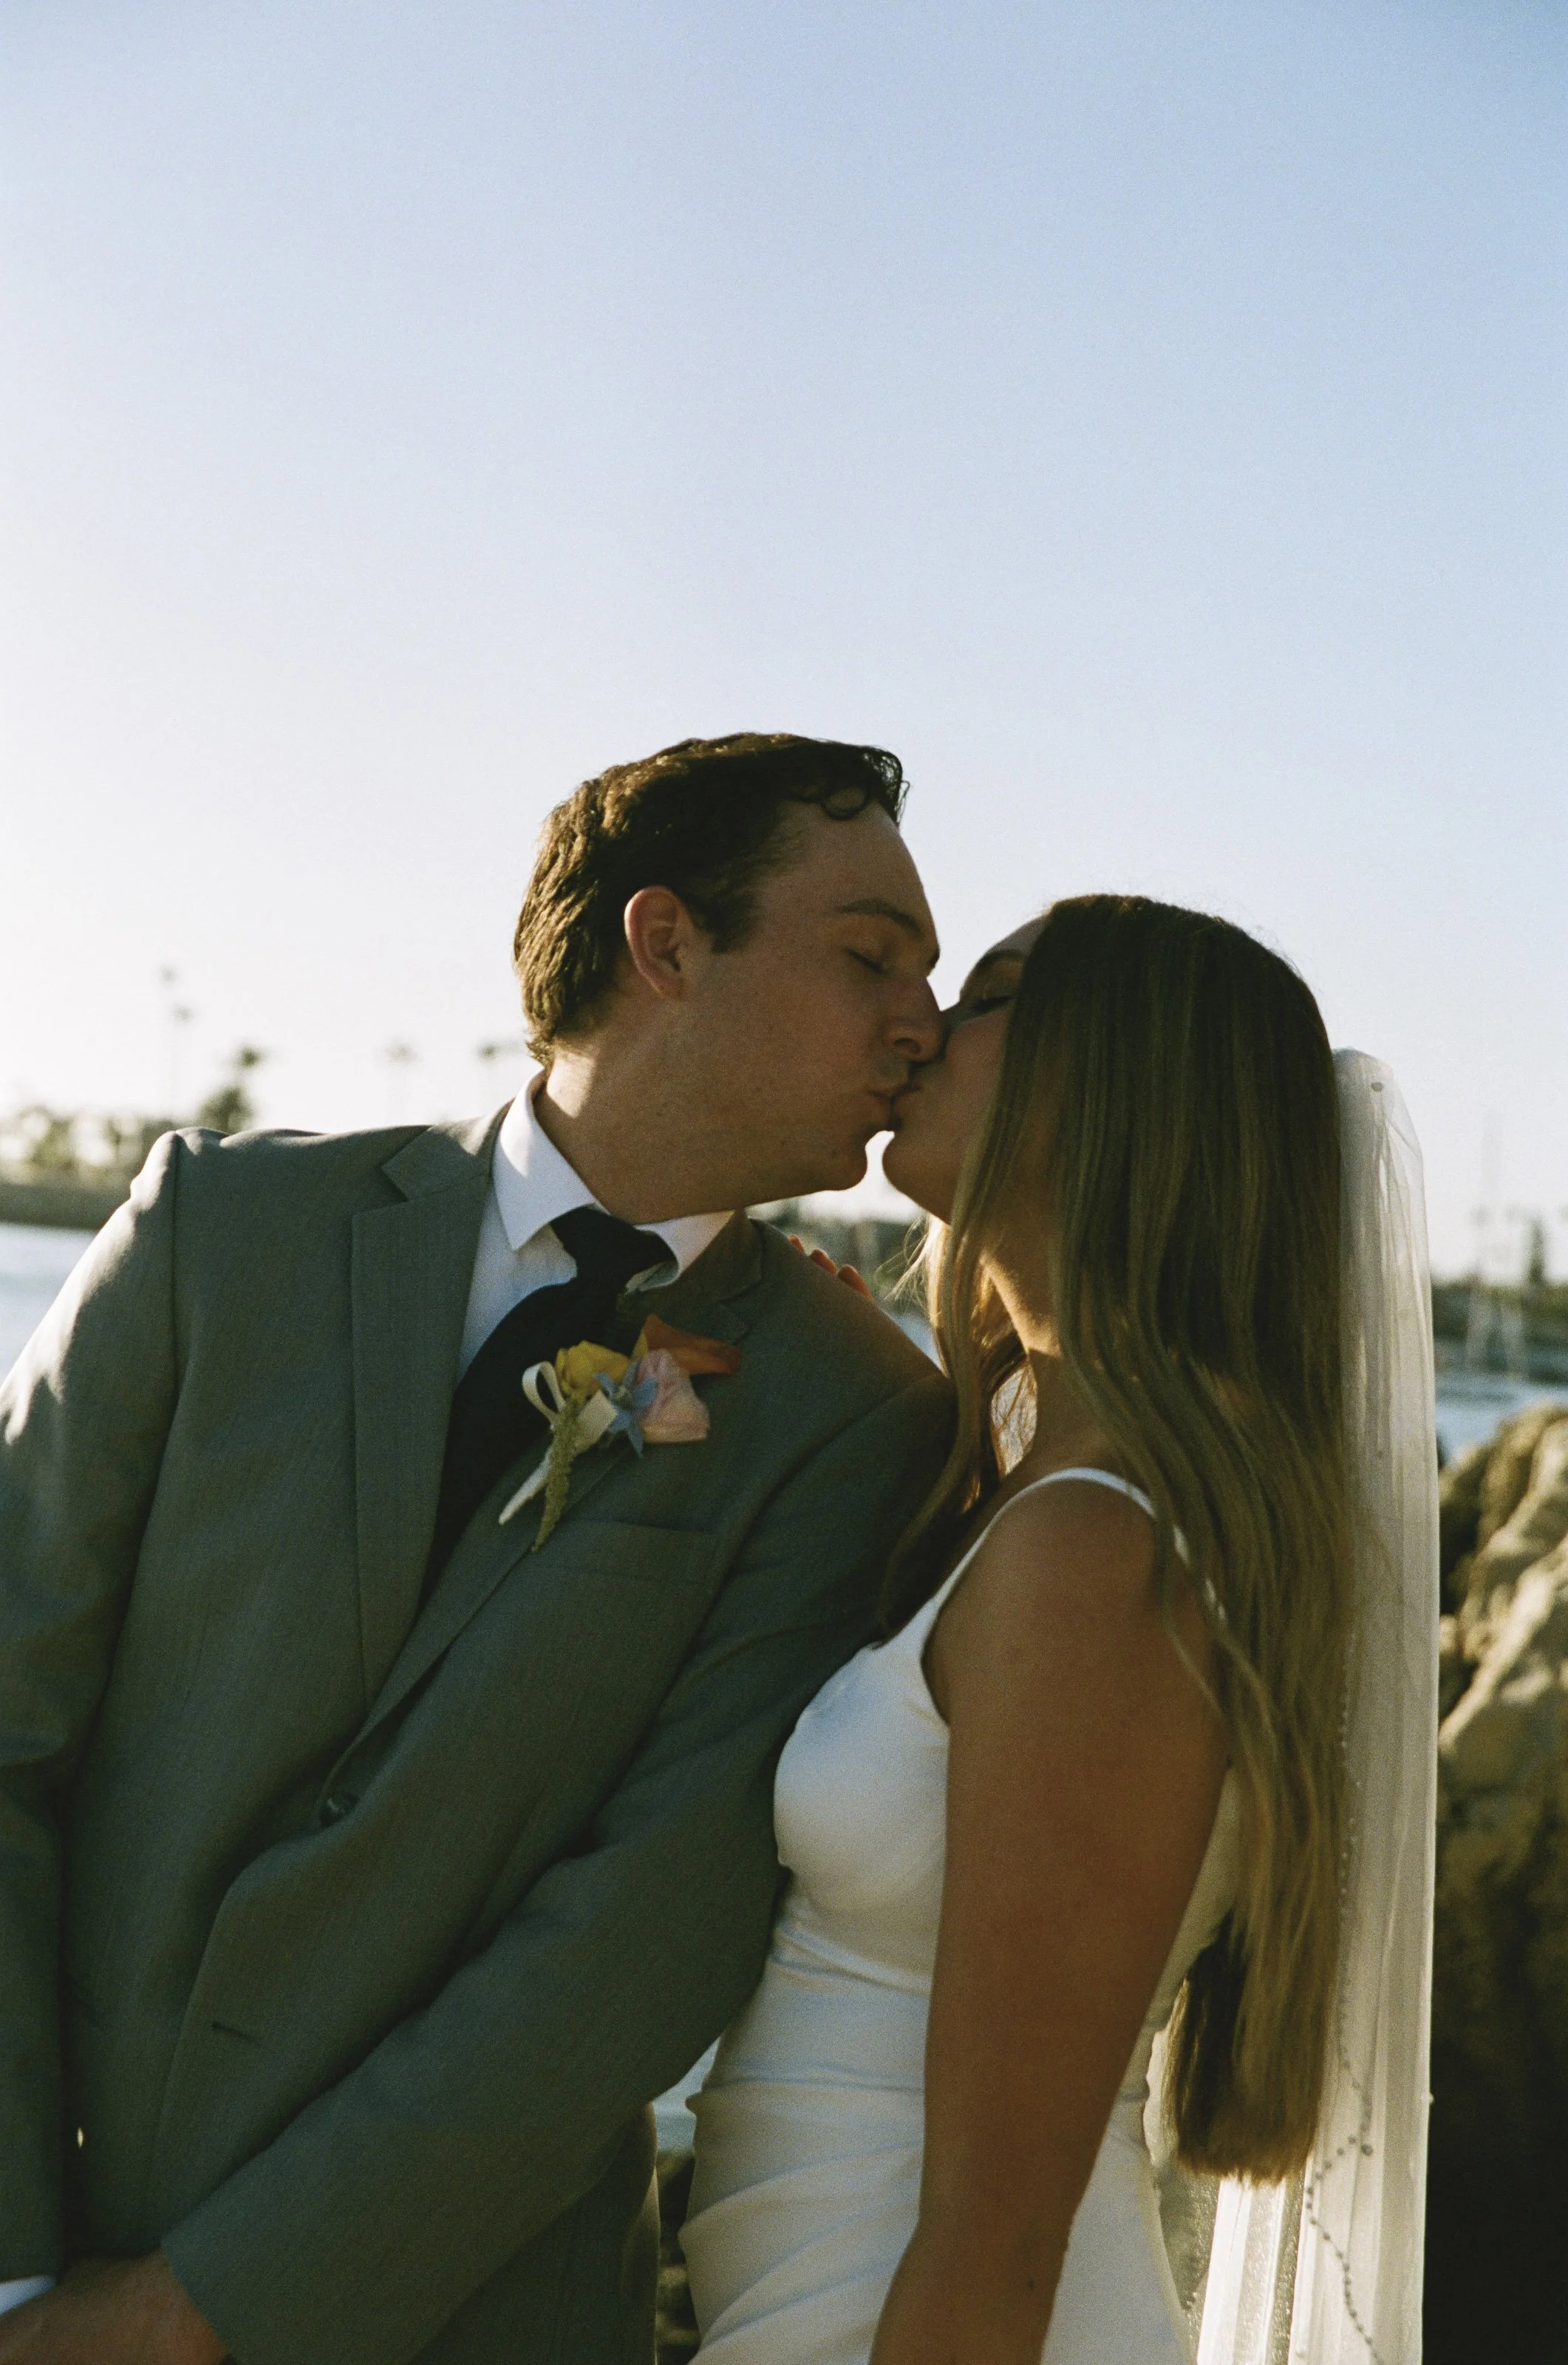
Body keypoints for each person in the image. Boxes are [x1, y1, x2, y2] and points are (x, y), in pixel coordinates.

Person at [0, 733, 954, 2365]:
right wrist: (19, 2270)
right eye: (868, 957)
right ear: (664, 944)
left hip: (464, 2313)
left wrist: (203, 2309)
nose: (917, 1023)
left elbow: (639, 1937)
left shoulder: (852, 1412)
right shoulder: (215, 1230)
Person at [683, 894, 1438, 2364]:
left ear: (1118, 1083)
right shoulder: (1030, 1494)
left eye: (987, 1001)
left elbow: (999, 2230)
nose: (920, 1033)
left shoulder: (1098, 1552)